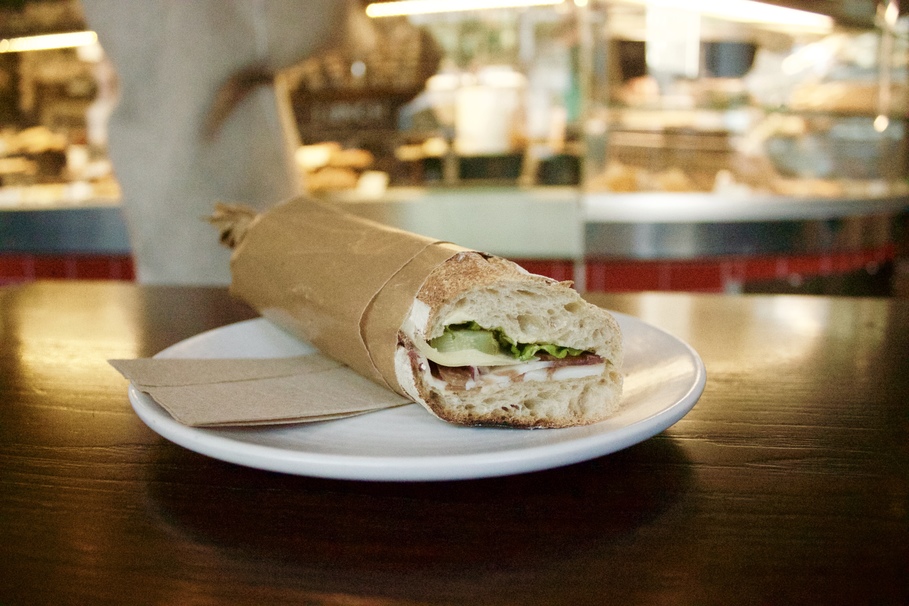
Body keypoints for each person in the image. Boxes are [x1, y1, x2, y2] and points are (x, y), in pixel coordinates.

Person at [80, 0, 348, 284]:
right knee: (238, 298)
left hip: (157, 177)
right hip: (219, 189)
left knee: (183, 299)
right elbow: (303, 25)